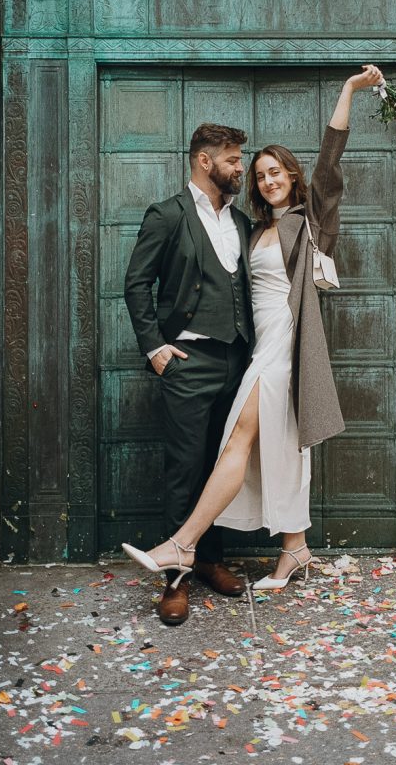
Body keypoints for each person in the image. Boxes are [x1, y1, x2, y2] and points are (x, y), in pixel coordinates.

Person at [123, 65, 382, 598]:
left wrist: (348, 91)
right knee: (248, 450)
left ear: (292, 175)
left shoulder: (310, 222)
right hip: (229, 354)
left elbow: (331, 163)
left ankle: (184, 545)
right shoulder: (246, 224)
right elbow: (146, 283)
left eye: (272, 171)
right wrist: (156, 348)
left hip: (278, 347)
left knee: (236, 442)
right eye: (253, 169)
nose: (260, 177)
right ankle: (291, 548)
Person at [124, 123, 255, 625]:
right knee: (184, 467)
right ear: (205, 160)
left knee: (220, 466)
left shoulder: (240, 221)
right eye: (233, 159)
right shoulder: (167, 215)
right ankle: (174, 580)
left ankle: (209, 560)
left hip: (236, 359)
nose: (240, 167)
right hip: (188, 361)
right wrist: (155, 348)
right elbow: (137, 284)